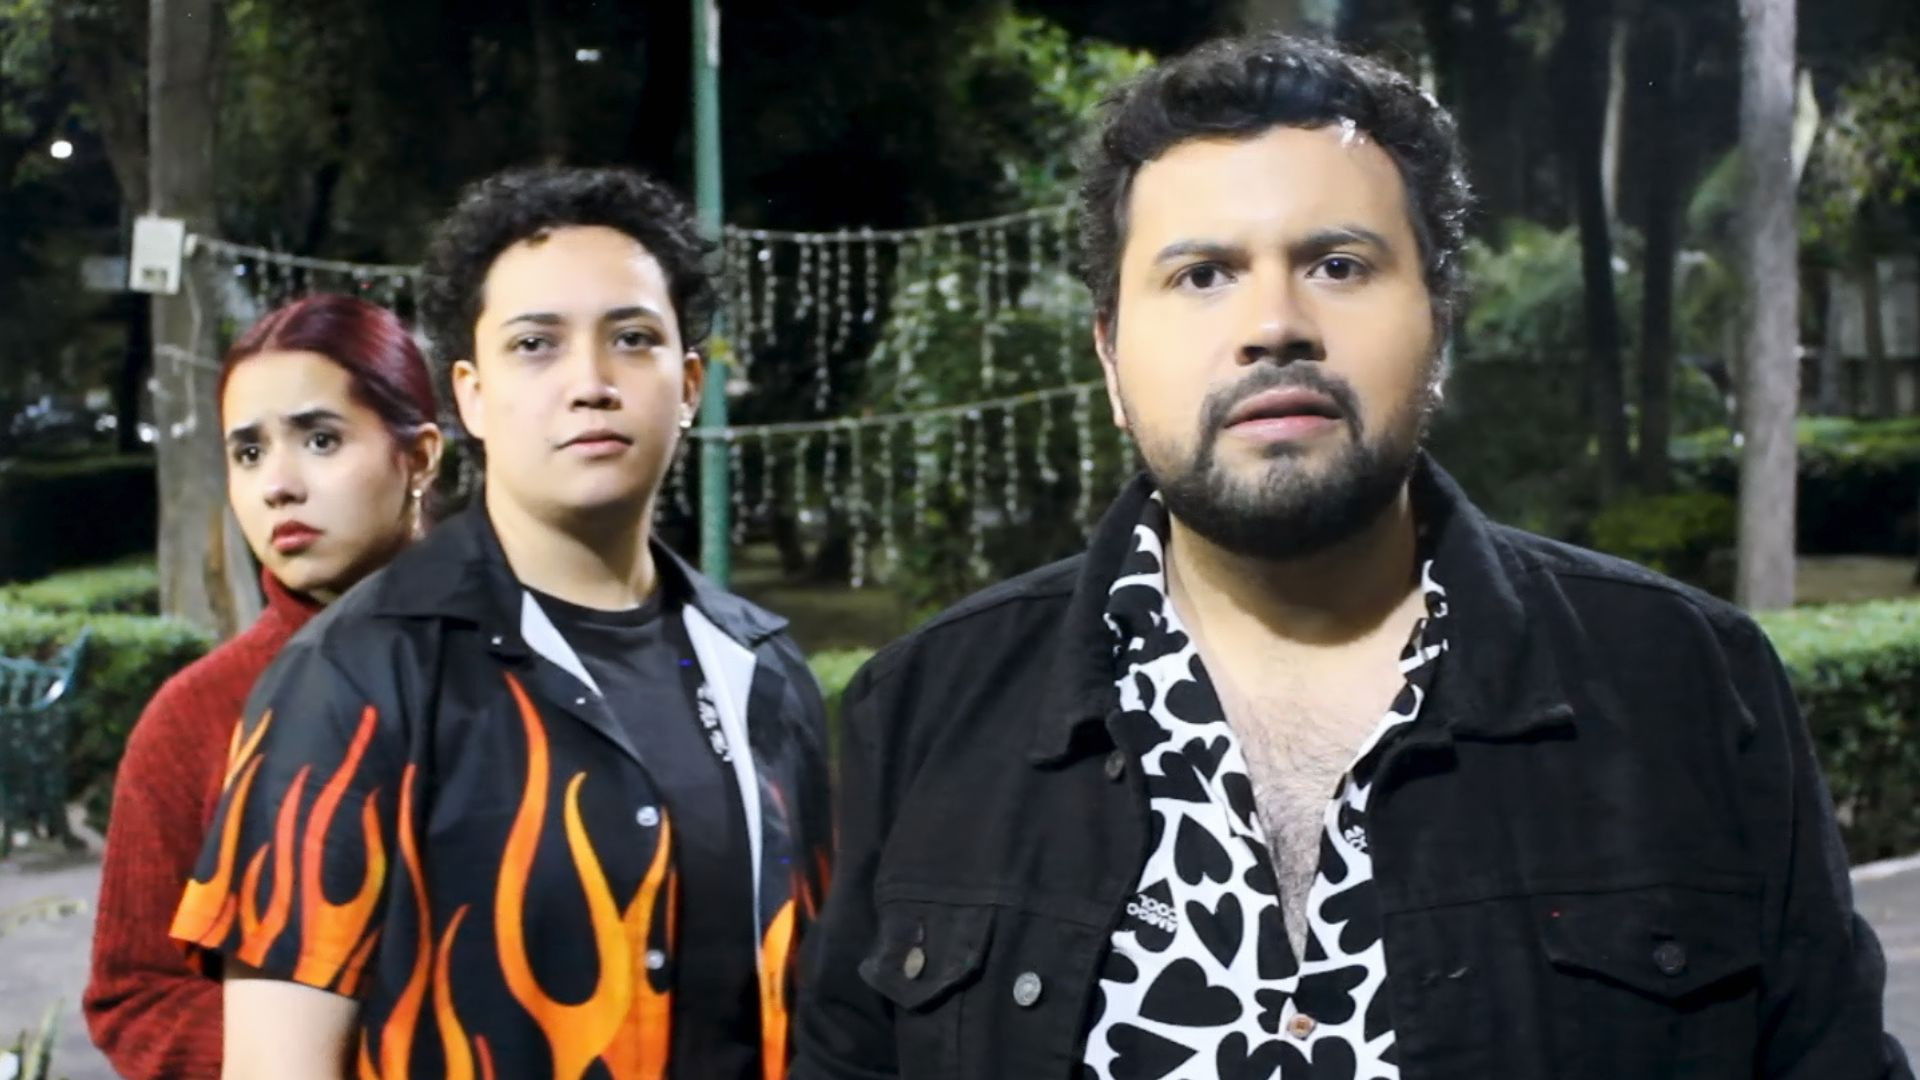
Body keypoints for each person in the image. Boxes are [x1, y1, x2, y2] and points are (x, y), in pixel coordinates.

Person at [793, 34, 1912, 1080]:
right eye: (1202, 275)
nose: (1274, 323)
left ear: (1440, 327)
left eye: (1337, 264)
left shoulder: (1689, 683)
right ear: (1110, 359)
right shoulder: (928, 710)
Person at [170, 165, 831, 1080]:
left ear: (687, 384)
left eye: (632, 339)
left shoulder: (763, 669)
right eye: (535, 345)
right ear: (471, 395)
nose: (590, 382)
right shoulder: (356, 674)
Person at [84, 294, 443, 1079]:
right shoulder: (193, 717)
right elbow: (132, 994)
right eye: (248, 453)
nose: (278, 484)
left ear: (418, 457)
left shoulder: (522, 665)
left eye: (320, 439)